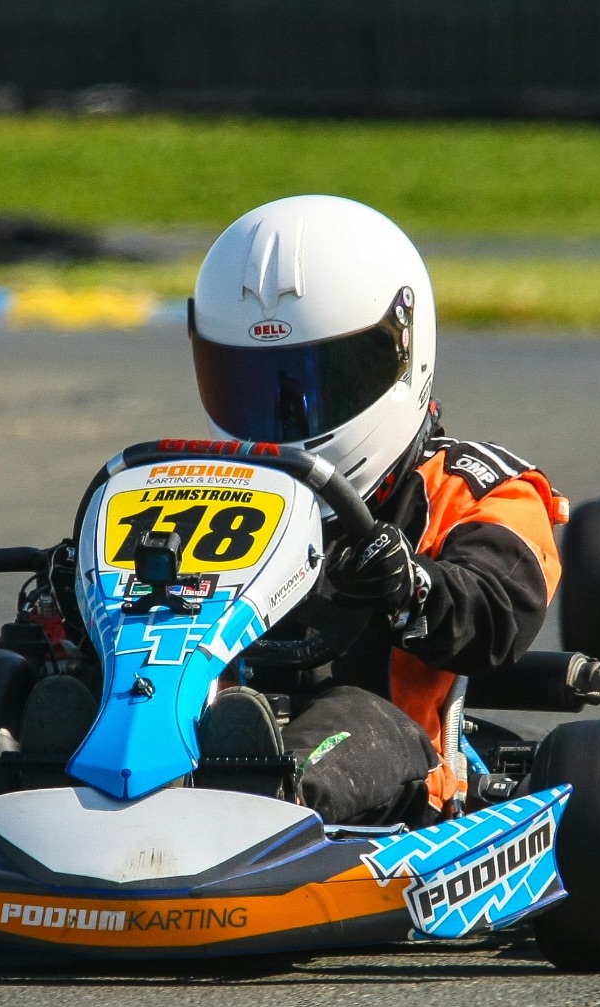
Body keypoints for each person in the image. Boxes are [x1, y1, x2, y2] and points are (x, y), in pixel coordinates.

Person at [186, 195, 567, 827]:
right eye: (254, 384)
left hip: (392, 763)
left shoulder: (471, 487)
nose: (283, 422)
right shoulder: (203, 491)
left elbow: (501, 612)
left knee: (351, 717)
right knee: (17, 678)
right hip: (195, 713)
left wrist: (413, 585)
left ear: (402, 350)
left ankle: (265, 804)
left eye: (316, 385)